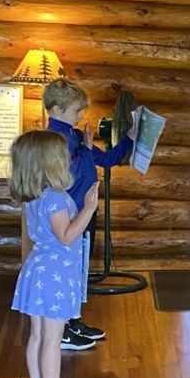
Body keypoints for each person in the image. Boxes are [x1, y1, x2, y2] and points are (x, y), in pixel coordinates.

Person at [9, 130, 98, 378]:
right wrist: (89, 208)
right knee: (52, 339)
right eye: (62, 157)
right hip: (54, 275)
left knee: (37, 336)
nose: (67, 160)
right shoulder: (55, 198)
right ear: (49, 164)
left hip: (38, 270)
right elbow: (67, 235)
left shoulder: (35, 196)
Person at [43, 78, 134, 350]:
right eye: (76, 110)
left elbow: (106, 160)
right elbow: (56, 177)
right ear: (57, 109)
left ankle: (72, 319)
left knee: (79, 268)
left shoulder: (73, 136)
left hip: (84, 211)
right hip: (69, 216)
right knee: (69, 269)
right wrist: (81, 148)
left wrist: (128, 140)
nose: (81, 115)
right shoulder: (56, 141)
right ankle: (62, 330)